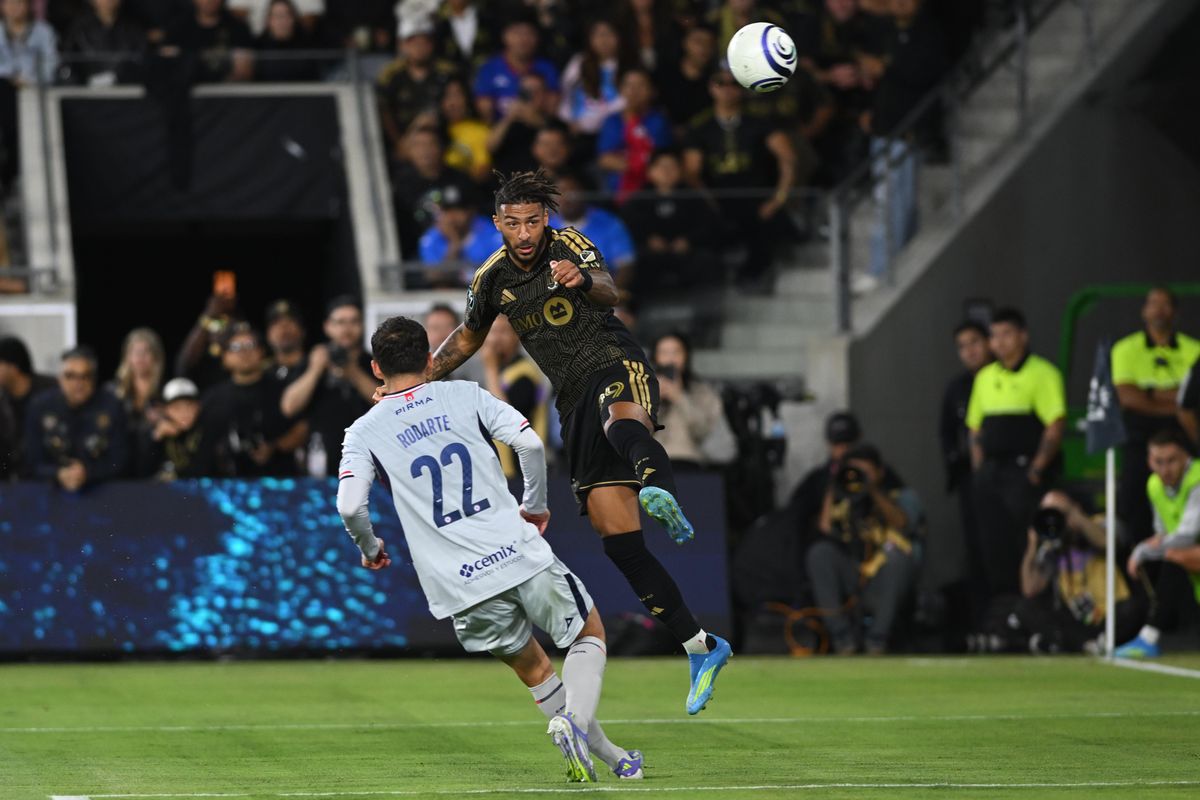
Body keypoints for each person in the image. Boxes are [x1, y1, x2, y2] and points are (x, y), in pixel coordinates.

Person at [422, 170, 732, 714]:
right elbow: (469, 336)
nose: (524, 233)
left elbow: (611, 290)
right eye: (513, 223)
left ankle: (659, 486)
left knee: (621, 420)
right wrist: (420, 375)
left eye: (533, 221)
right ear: (497, 224)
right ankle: (701, 646)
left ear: (547, 220)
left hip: (614, 361)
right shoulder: (491, 278)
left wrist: (582, 280)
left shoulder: (570, 246)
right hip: (571, 400)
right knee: (621, 545)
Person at [337, 315, 643, 782]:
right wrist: (535, 505)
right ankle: (575, 724)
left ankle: (612, 755)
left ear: (377, 368)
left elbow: (349, 504)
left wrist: (370, 545)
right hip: (514, 550)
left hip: (458, 582)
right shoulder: (465, 394)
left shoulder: (363, 430)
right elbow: (529, 444)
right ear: (428, 358)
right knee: (588, 634)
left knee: (535, 668)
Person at [966, 307, 1066, 599]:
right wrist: (979, 470)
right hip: (991, 474)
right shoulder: (985, 377)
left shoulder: (1042, 373)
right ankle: (1002, 607)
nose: (1000, 342)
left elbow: (1054, 424)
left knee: (1028, 540)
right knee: (992, 542)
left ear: (1023, 335)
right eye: (994, 336)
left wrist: (1036, 469)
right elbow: (975, 429)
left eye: (1007, 334)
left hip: (1024, 473)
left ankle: (1033, 603)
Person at [682, 65, 796, 288]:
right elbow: (691, 173)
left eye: (733, 83)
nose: (727, 89)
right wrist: (708, 203)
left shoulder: (760, 122)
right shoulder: (699, 127)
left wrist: (778, 200)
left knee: (768, 230)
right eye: (720, 83)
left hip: (758, 200)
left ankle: (756, 277)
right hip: (718, 201)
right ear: (711, 88)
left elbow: (788, 159)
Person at [806, 442, 920, 654]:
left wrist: (872, 490)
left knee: (896, 556)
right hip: (853, 579)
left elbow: (902, 523)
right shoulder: (845, 500)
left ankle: (877, 640)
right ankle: (842, 639)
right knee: (819, 553)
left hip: (885, 584)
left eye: (864, 472)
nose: (857, 477)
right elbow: (825, 527)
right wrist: (835, 485)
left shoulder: (901, 495)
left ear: (880, 471)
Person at [1111, 287, 1200, 545]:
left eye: (1165, 304)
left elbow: (1195, 398)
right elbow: (1128, 397)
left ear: (1175, 312)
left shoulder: (1194, 349)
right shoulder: (1125, 349)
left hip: (1184, 434)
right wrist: (1178, 400)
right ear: (1144, 311)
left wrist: (1150, 394)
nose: (1159, 309)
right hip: (1138, 438)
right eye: (1153, 303)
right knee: (1134, 508)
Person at [1009, 491, 1139, 654]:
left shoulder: (1100, 522)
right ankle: (1086, 644)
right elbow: (1030, 588)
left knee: (1131, 609)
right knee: (1025, 608)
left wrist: (1076, 517)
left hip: (1112, 613)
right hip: (1078, 620)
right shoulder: (1053, 546)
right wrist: (1032, 545)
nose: (1055, 518)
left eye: (1059, 512)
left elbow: (1107, 543)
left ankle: (1069, 644)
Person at [1116, 430, 1200, 658]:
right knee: (1166, 557)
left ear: (1186, 457)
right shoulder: (1154, 485)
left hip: (1191, 552)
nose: (1165, 469)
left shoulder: (1198, 478)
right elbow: (1162, 534)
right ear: (1148, 461)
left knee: (1173, 555)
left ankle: (1149, 636)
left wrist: (1142, 551)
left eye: (1171, 460)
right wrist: (1141, 551)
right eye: (1158, 461)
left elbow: (1187, 536)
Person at [281, 296, 379, 476]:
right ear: (327, 326)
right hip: (321, 460)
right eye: (340, 322)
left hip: (367, 458)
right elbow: (289, 407)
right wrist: (315, 369)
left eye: (353, 322)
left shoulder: (374, 362)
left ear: (362, 325)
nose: (346, 329)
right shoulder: (312, 361)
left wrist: (354, 372)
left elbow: (388, 404)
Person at [939, 319, 992, 632]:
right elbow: (946, 434)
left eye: (974, 342)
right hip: (971, 482)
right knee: (976, 552)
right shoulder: (956, 388)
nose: (969, 351)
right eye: (962, 346)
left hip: (1005, 480)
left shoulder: (1002, 378)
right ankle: (982, 623)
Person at [201, 323, 305, 477]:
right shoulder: (212, 398)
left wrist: (274, 447)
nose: (244, 352)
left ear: (261, 351)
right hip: (227, 485)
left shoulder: (283, 389)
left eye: (250, 345)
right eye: (235, 347)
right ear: (224, 358)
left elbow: (303, 427)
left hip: (280, 481)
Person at [25, 346, 129, 491]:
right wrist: (57, 473)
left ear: (94, 378)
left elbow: (120, 461)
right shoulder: (40, 407)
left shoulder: (111, 406)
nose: (78, 383)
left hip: (101, 494)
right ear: (59, 378)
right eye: (70, 376)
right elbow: (31, 461)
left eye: (85, 376)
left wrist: (88, 472)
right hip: (50, 496)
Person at [619, 148, 719, 296]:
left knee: (706, 261)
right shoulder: (637, 200)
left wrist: (688, 240)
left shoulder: (693, 197)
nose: (666, 172)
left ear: (680, 171)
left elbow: (708, 225)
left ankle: (704, 314)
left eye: (672, 167)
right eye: (661, 167)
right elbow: (628, 227)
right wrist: (648, 239)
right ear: (650, 172)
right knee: (634, 263)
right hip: (651, 254)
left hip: (687, 252)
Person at [377, 15, 460, 154]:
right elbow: (385, 113)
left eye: (424, 42)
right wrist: (400, 144)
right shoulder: (391, 77)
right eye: (413, 42)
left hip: (446, 141)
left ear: (432, 44)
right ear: (402, 45)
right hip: (403, 144)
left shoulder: (448, 73)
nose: (419, 47)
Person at [481, 314, 549, 479]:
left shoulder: (524, 373)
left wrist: (490, 369)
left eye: (503, 332)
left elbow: (506, 418)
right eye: (493, 331)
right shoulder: (500, 369)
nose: (496, 338)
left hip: (518, 466)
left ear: (516, 336)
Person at [649, 332, 726, 469]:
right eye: (664, 353)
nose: (671, 359)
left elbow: (703, 431)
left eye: (676, 352)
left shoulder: (702, 392)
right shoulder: (642, 391)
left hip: (691, 463)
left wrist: (679, 397)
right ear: (655, 357)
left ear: (686, 357)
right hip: (652, 464)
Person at [548, 172, 636, 287]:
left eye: (572, 192)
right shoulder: (546, 227)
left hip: (604, 293)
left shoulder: (608, 222)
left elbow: (626, 265)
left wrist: (612, 293)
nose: (567, 198)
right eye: (560, 192)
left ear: (583, 193)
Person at [595, 66, 671, 199]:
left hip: (652, 189)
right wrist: (637, 165)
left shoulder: (659, 121)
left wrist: (629, 163)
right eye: (629, 85)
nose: (634, 91)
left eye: (640, 85)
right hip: (618, 191)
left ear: (652, 91)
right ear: (621, 90)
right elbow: (605, 160)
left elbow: (659, 160)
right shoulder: (612, 121)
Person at [472, 17, 560, 124]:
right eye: (517, 33)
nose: (523, 39)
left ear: (538, 38)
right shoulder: (489, 69)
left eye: (529, 33)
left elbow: (552, 110)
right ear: (505, 36)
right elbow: (485, 113)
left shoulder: (547, 68)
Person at [557, 18, 630, 143]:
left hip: (612, 129)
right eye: (598, 35)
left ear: (619, 37)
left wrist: (592, 122)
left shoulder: (627, 65)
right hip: (577, 129)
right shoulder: (579, 61)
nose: (603, 40)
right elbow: (566, 92)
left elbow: (625, 101)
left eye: (608, 34)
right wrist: (570, 119)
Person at [417, 183, 503, 285]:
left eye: (458, 209)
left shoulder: (492, 234)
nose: (452, 216)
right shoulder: (432, 237)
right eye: (447, 210)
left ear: (471, 211)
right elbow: (433, 278)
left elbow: (499, 275)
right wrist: (454, 244)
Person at [0, 335, 56, 477]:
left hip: (56, 478)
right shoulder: (3, 402)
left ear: (13, 367)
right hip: (21, 484)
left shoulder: (53, 392)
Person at [162, 0, 255, 83]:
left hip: (226, 93)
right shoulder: (177, 28)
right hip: (182, 94)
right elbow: (166, 67)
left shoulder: (238, 28)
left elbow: (243, 71)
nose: (209, 1)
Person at [138, 376, 211, 479]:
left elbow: (205, 470)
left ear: (198, 407)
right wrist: (156, 438)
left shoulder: (208, 431)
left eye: (189, 406)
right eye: (177, 408)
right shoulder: (159, 433)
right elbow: (141, 472)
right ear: (166, 410)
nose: (184, 413)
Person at [61, 0, 147, 87]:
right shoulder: (78, 28)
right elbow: (68, 62)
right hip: (86, 91)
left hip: (127, 90)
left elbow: (141, 59)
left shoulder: (132, 28)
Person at [438, 77, 491, 183]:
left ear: (467, 99)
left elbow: (482, 171)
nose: (453, 103)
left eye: (457, 96)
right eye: (447, 97)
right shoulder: (434, 130)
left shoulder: (480, 130)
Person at [252, 0, 320, 82]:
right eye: (277, 16)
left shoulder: (308, 48)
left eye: (286, 15)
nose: (282, 21)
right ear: (268, 21)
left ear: (294, 19)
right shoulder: (257, 48)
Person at [263, 298, 307, 385]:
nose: (284, 329)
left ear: (303, 331)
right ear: (268, 334)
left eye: (290, 322)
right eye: (276, 323)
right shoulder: (261, 373)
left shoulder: (316, 365)